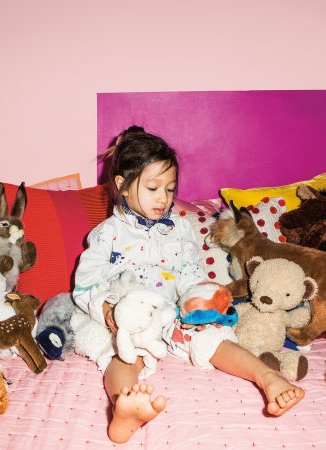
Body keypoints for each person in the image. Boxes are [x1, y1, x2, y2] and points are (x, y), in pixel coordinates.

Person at [73, 126, 305, 444]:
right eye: (153, 188)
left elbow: (187, 271)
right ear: (122, 187)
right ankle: (122, 407)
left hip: (170, 313)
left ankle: (268, 378)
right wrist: (105, 307)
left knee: (213, 336)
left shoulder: (179, 228)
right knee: (126, 355)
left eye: (170, 189)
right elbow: (85, 284)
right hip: (129, 312)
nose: (164, 198)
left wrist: (200, 293)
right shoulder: (107, 234)